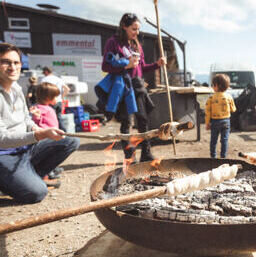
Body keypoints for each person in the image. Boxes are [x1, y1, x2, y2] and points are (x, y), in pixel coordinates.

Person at [0, 43, 80, 204]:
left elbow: (26, 119)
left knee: (70, 141)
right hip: (5, 154)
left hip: (25, 148)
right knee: (37, 193)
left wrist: (35, 127)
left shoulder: (16, 88)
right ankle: (9, 182)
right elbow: (2, 139)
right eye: (6, 62)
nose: (12, 67)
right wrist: (38, 134)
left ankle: (26, 176)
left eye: (16, 62)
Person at [96, 13, 166, 162]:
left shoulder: (136, 45)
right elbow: (105, 66)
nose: (137, 32)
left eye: (138, 29)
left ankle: (146, 153)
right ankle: (129, 156)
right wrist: (126, 65)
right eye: (134, 29)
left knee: (143, 120)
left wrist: (157, 64)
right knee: (126, 122)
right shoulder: (113, 43)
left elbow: (142, 68)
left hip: (137, 85)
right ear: (124, 26)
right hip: (123, 86)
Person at [205, 74, 236, 158]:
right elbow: (233, 109)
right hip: (226, 121)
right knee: (224, 140)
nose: (212, 87)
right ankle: (223, 157)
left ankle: (213, 157)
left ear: (216, 86)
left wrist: (207, 123)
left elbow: (208, 112)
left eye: (213, 85)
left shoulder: (211, 98)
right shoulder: (229, 96)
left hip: (215, 121)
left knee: (213, 140)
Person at [41, 66, 70, 132]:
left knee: (50, 119)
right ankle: (64, 133)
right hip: (59, 101)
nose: (44, 74)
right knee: (59, 118)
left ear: (46, 72)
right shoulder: (58, 79)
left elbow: (42, 91)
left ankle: (54, 133)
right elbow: (67, 89)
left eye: (44, 73)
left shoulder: (44, 79)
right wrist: (62, 97)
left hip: (49, 101)